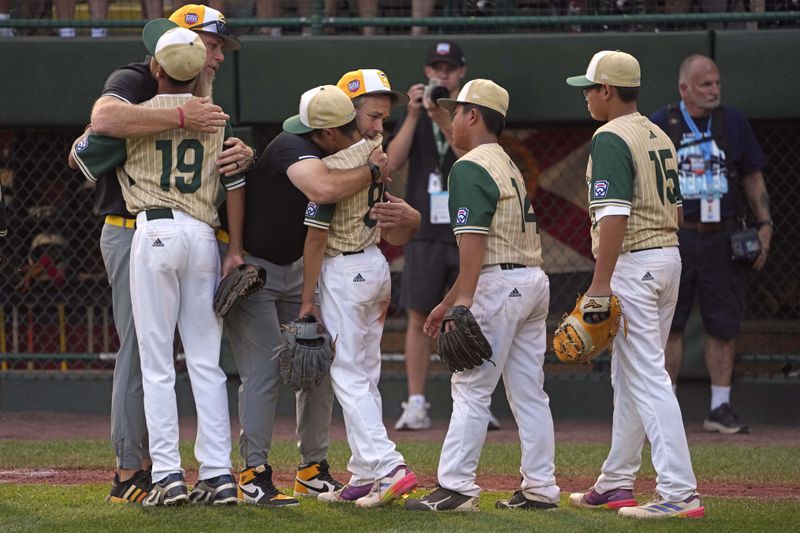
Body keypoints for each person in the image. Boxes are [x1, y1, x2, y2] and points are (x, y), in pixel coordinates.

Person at [68, 3, 252, 505]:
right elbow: (106, 119)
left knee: (156, 363)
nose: (216, 58)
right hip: (199, 236)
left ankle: (168, 475)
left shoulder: (153, 107)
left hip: (156, 231)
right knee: (207, 363)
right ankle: (217, 475)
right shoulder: (212, 114)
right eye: (210, 48)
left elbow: (81, 156)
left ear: (159, 66)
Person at [219, 85, 392, 506]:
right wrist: (372, 171)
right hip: (256, 269)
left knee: (316, 364)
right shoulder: (289, 145)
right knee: (263, 370)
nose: (358, 134)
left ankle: (313, 470)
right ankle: (253, 473)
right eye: (350, 127)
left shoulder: (342, 150)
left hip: (298, 269)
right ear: (328, 133)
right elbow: (323, 190)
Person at [403, 79, 559, 512]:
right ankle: (541, 488)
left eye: (456, 111)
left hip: (498, 285)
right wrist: (450, 297)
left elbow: (472, 243)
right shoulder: (505, 162)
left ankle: (456, 488)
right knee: (530, 393)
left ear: (473, 115)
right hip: (530, 281)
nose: (452, 119)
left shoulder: (470, 165)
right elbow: (486, 248)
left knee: (470, 388)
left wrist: (462, 300)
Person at [564, 50, 704, 519]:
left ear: (607, 90)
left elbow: (615, 215)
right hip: (668, 257)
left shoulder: (610, 136)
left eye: (590, 87)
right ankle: (617, 481)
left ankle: (679, 491)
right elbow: (679, 212)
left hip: (635, 264)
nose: (585, 95)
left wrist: (600, 284)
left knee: (645, 376)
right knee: (628, 375)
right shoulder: (658, 132)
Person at [298, 72, 419, 507]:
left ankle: (389, 466)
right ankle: (365, 473)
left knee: (348, 374)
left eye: (384, 117)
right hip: (373, 266)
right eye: (373, 115)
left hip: (346, 270)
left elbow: (314, 237)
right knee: (364, 373)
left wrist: (306, 297)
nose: (379, 126)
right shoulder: (376, 153)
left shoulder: (334, 162)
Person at [653, 55, 770, 435]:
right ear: (685, 87)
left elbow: (752, 176)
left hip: (722, 235)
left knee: (724, 324)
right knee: (670, 323)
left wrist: (765, 223)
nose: (714, 91)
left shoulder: (732, 122)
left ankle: (720, 406)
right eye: (706, 85)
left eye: (717, 83)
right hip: (678, 234)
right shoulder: (662, 123)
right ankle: (665, 405)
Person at [388, 41, 500, 431]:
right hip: (423, 228)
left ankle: (476, 401)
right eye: (436, 68)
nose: (442, 75)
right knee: (419, 313)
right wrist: (416, 114)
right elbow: (393, 161)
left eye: (449, 68)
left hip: (465, 228)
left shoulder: (470, 116)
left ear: (461, 73)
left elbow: (463, 150)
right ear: (426, 71)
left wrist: (440, 112)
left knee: (472, 310)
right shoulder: (417, 114)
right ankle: (416, 401)